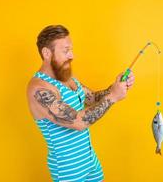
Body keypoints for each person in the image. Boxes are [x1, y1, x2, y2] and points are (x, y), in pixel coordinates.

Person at [26, 25, 135, 182]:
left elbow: (92, 98)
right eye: (65, 51)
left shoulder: (66, 78)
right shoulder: (38, 88)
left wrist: (116, 86)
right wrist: (112, 97)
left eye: (71, 49)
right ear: (47, 53)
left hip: (89, 160)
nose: (72, 55)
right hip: (68, 169)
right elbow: (78, 122)